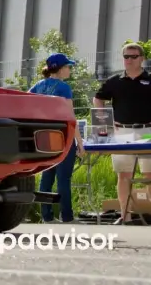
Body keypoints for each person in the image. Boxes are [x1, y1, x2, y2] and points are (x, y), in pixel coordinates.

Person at [93, 43, 151, 224]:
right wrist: (105, 122)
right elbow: (98, 99)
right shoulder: (114, 81)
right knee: (124, 175)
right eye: (126, 56)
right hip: (123, 132)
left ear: (142, 58)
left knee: (149, 175)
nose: (129, 60)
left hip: (148, 131)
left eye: (133, 56)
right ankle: (125, 216)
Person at [29, 53, 85, 223]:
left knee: (46, 177)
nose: (70, 70)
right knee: (63, 178)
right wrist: (80, 143)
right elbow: (70, 116)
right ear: (60, 69)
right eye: (68, 67)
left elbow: (25, 101)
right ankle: (66, 216)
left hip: (42, 137)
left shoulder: (38, 86)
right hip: (62, 136)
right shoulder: (63, 87)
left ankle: (47, 216)